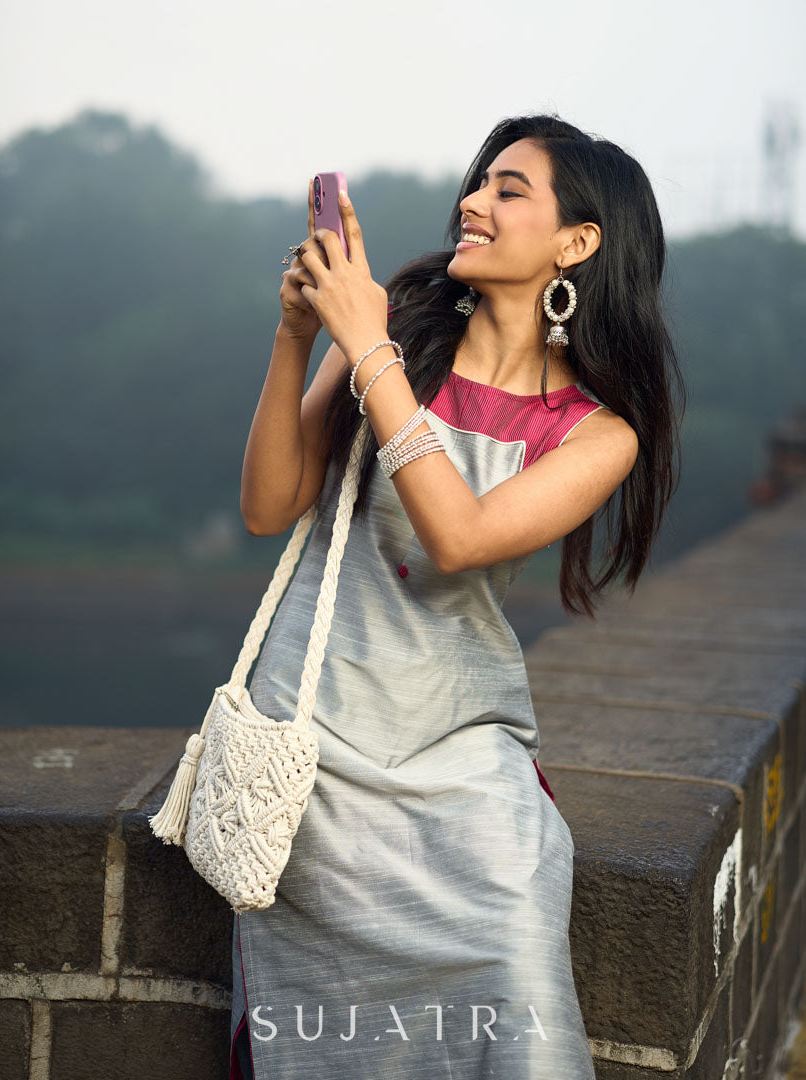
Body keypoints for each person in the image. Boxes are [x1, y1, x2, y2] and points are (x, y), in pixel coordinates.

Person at [230, 113, 684, 1079]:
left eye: (508, 190)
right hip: (314, 730)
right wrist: (298, 335)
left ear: (578, 241)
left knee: (517, 936)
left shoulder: (598, 433)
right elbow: (271, 507)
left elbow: (461, 537)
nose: (472, 202)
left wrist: (369, 349)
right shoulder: (400, 325)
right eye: (479, 183)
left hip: (460, 734)